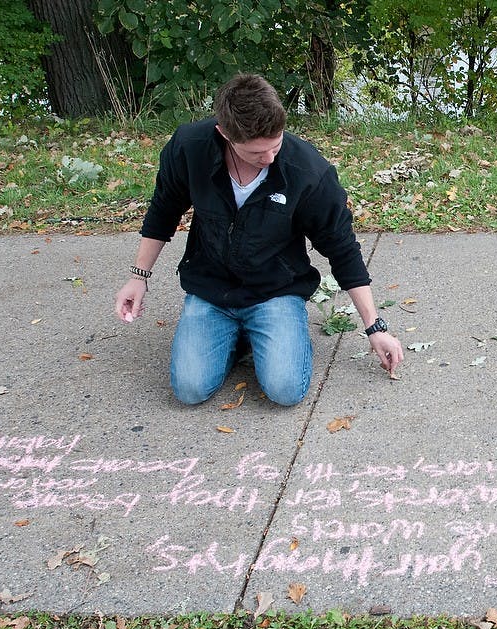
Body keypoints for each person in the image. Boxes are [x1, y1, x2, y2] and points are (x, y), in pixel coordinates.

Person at [114, 73, 403, 406]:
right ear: (223, 134)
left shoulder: (307, 171)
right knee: (189, 390)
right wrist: (139, 277)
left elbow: (342, 248)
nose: (269, 159)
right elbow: (163, 211)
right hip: (212, 290)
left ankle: (280, 334)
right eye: (256, 153)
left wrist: (374, 326)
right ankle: (240, 337)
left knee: (285, 391)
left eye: (275, 146)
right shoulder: (189, 148)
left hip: (275, 291)